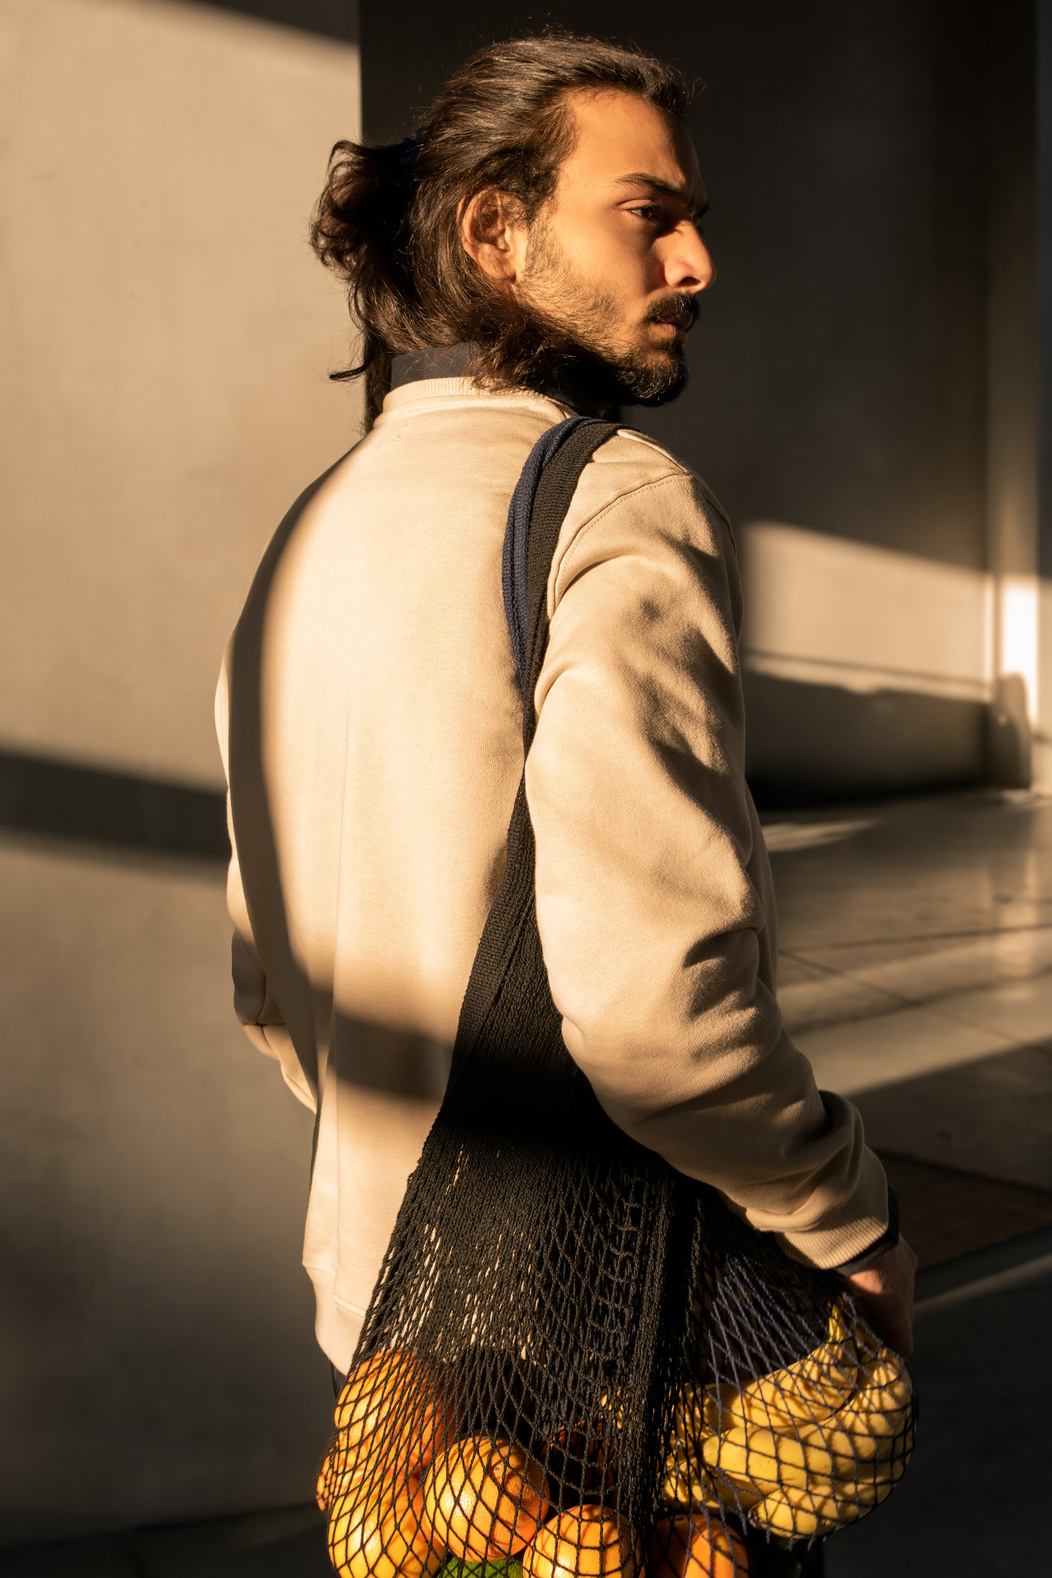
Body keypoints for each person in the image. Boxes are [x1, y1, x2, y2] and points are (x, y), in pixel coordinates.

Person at [216, 33, 916, 1383]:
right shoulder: (615, 497)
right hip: (607, 1340)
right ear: (498, 230)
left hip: (382, 1331)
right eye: (650, 217)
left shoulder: (313, 528)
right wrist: (846, 1217)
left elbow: (265, 979)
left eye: (695, 225)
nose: (698, 264)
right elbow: (658, 1013)